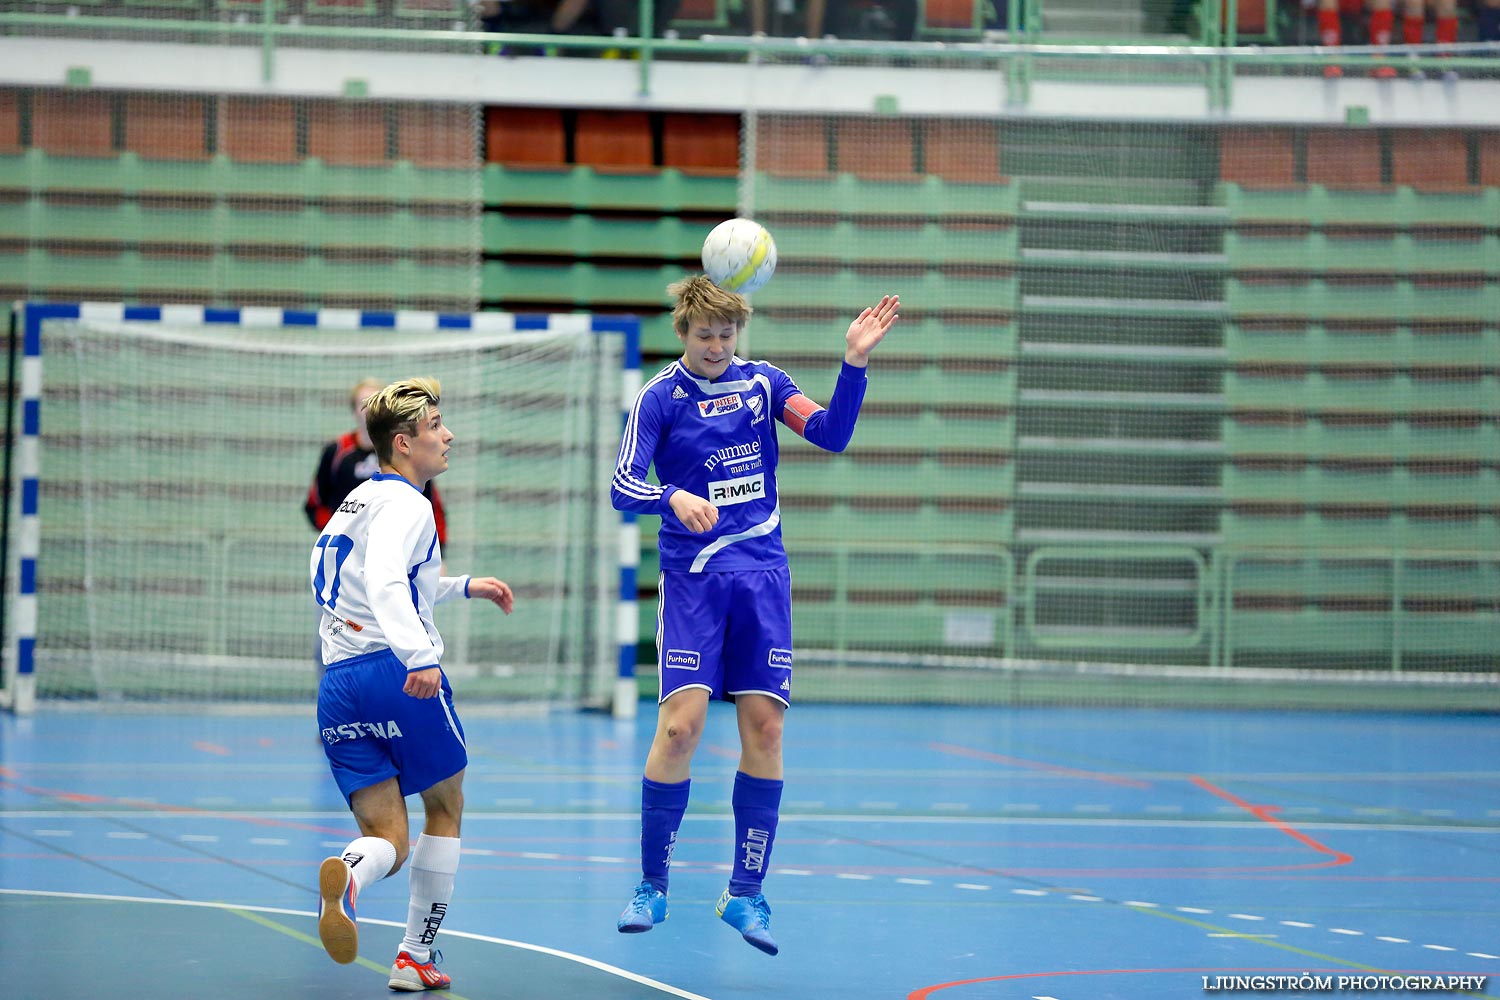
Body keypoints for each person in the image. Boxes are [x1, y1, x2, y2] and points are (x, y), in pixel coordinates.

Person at [609, 276, 899, 955]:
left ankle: (746, 894)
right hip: (693, 582)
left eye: (726, 334)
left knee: (765, 730)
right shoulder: (659, 398)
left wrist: (853, 361)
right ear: (683, 333)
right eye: (704, 334)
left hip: (763, 579)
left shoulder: (764, 384)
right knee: (679, 729)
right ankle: (652, 884)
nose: (716, 346)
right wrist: (672, 497)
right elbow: (624, 484)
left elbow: (830, 434)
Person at [310, 377, 515, 992]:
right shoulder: (411, 503)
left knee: (386, 838)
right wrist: (418, 654)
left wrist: (459, 585)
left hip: (339, 682)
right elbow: (385, 581)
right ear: (404, 443)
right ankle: (414, 954)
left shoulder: (359, 499)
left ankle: (349, 874)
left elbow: (370, 577)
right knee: (446, 806)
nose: (447, 435)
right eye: (434, 426)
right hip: (396, 673)